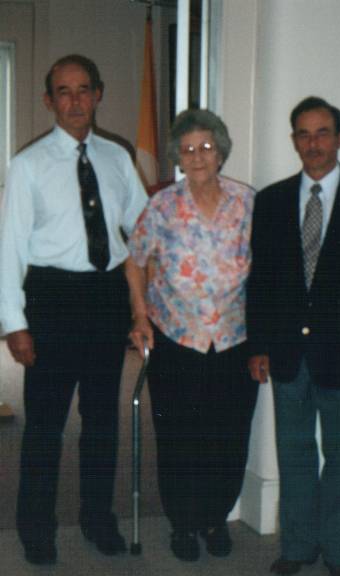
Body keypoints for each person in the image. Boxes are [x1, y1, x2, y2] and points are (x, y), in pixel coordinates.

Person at [0, 54, 147, 565]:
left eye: (84, 89)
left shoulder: (117, 157)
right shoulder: (28, 165)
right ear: (49, 101)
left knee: (102, 421)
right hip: (54, 301)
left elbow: (139, 234)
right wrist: (14, 323)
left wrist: (139, 307)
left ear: (99, 94)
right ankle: (36, 529)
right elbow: (10, 249)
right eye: (64, 91)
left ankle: (97, 519)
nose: (76, 100)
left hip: (105, 299)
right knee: (44, 424)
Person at [246, 96, 340, 576]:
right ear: (294, 141)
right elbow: (261, 281)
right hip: (288, 354)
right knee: (294, 456)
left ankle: (338, 551)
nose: (313, 143)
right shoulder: (269, 202)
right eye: (304, 134)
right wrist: (259, 345)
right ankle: (296, 547)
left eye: (323, 133)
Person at [126, 109, 259, 562]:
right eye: (187, 149)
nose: (197, 156)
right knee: (180, 436)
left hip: (233, 340)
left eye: (205, 147)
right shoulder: (163, 205)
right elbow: (135, 259)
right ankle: (183, 524)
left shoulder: (246, 202)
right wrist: (141, 316)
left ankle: (216, 518)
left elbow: (268, 268)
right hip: (177, 339)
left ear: (220, 151)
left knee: (228, 434)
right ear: (177, 157)